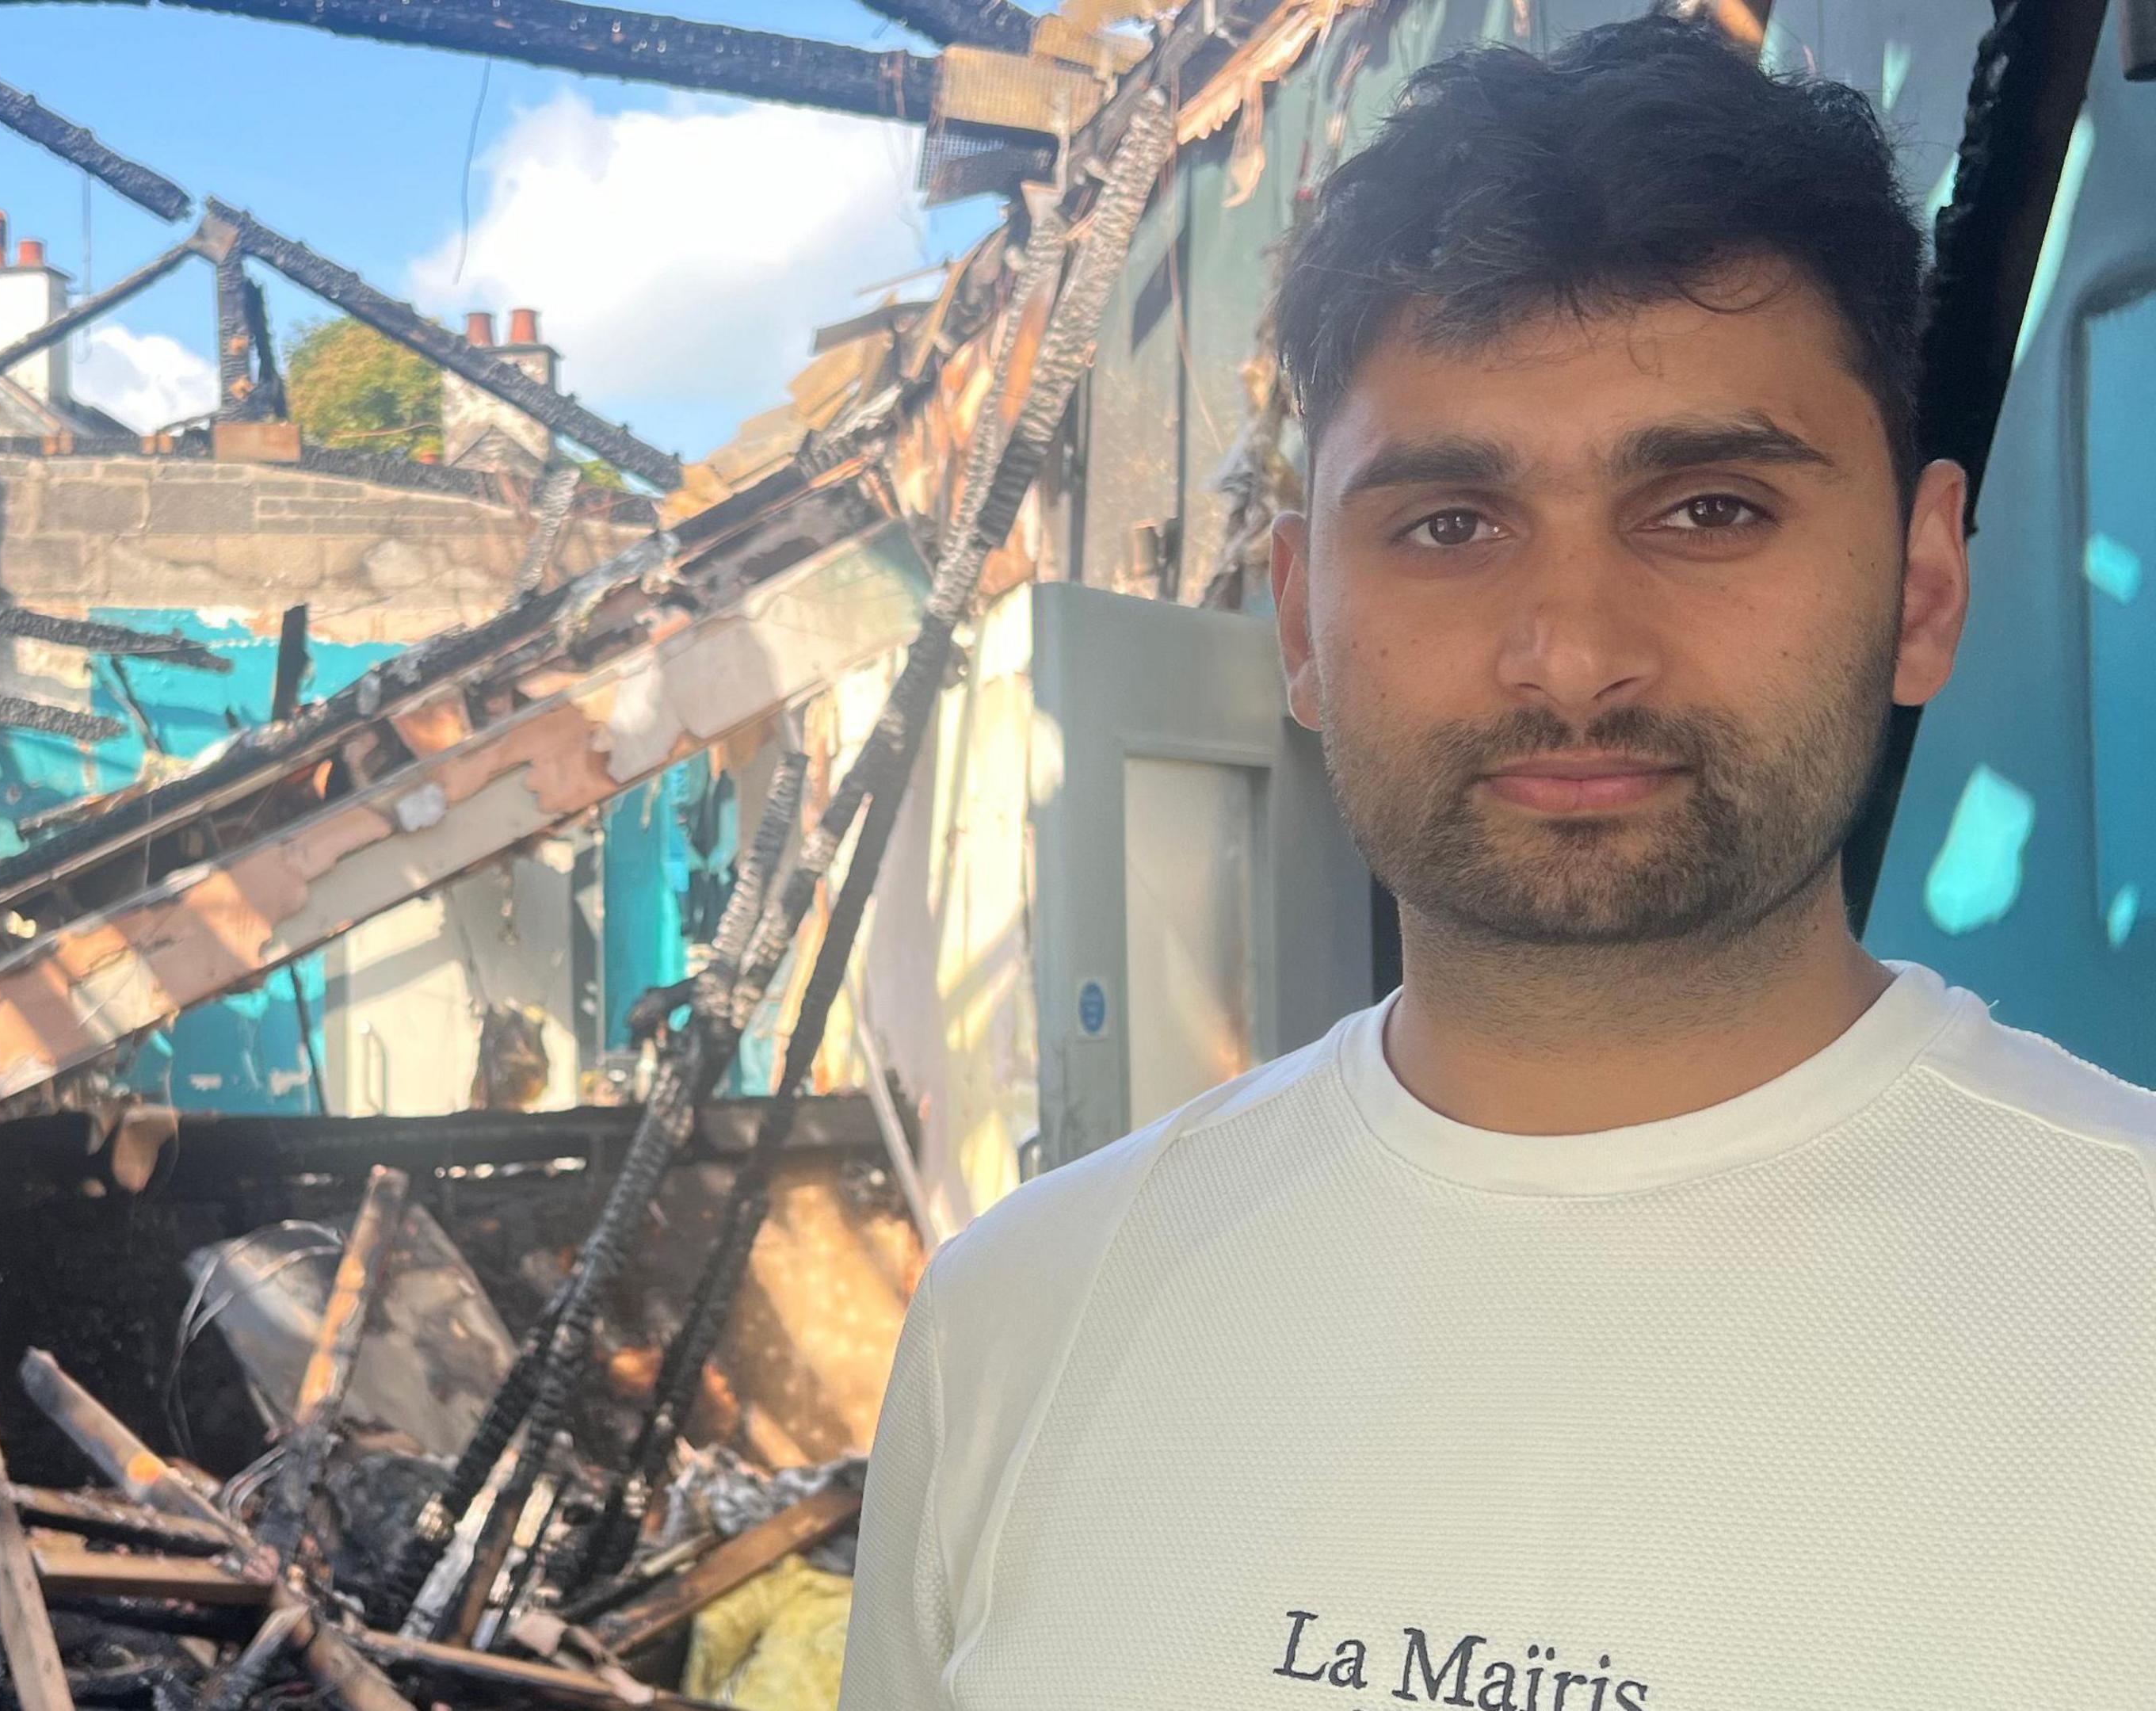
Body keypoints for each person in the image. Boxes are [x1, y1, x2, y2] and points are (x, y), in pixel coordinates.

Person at [840, 17, 2156, 1709]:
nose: (1572, 653)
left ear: (1922, 586)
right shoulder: (1017, 1320)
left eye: (1708, 510)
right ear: (1303, 620)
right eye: (1449, 525)